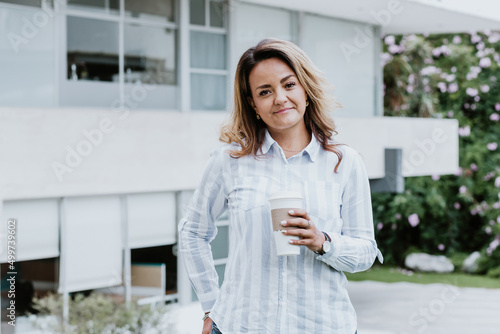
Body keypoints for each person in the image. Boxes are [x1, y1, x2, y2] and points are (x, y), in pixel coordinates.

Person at [178, 38, 383, 334]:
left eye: (289, 85)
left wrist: (322, 241)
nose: (280, 98)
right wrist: (211, 304)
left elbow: (365, 253)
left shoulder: (345, 162)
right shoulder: (229, 161)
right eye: (265, 91)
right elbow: (193, 232)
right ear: (253, 103)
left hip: (323, 326)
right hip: (242, 326)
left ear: (306, 90)